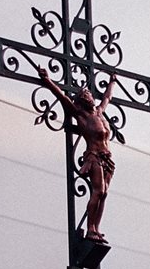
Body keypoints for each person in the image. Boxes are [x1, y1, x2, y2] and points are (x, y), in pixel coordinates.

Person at [37, 67, 118, 243]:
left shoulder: (99, 112)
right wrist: (47, 80)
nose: (90, 97)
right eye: (86, 96)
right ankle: (90, 229)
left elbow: (107, 98)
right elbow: (63, 98)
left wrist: (112, 81)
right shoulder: (80, 114)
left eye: (90, 95)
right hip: (94, 156)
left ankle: (97, 229)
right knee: (99, 191)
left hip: (107, 158)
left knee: (105, 194)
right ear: (81, 101)